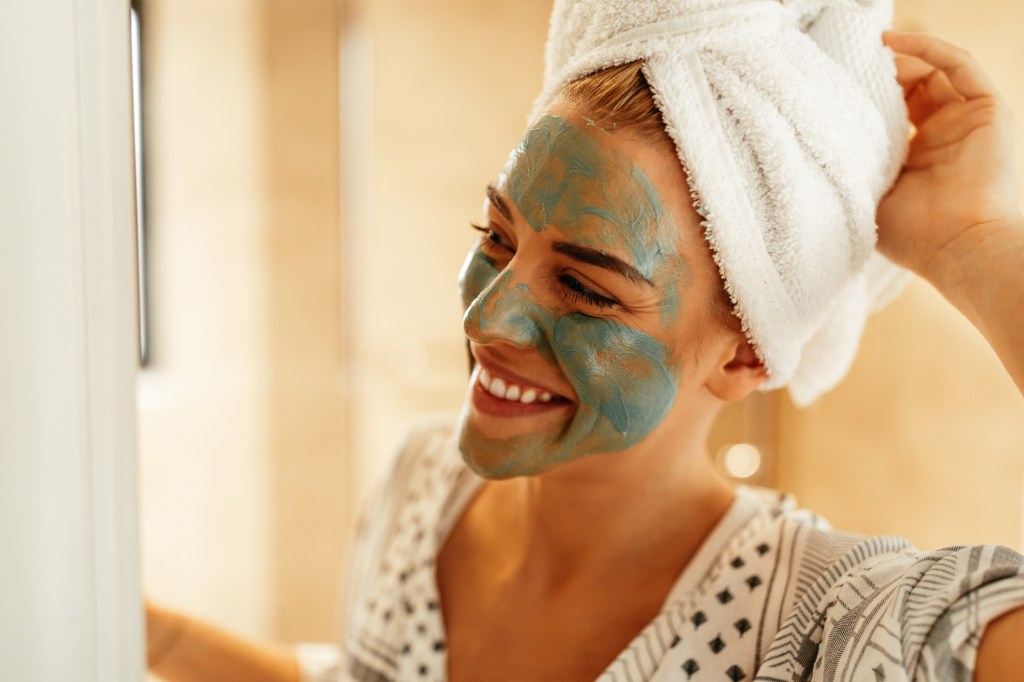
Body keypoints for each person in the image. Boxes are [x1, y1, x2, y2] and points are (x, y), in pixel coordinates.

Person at [145, 1, 1024, 680]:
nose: (487, 316)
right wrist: (144, 627)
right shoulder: (423, 488)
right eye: (496, 236)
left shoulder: (821, 626)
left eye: (586, 288)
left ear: (746, 352)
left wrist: (971, 245)